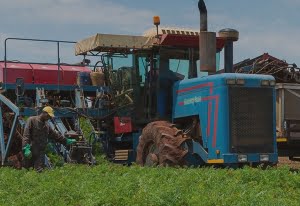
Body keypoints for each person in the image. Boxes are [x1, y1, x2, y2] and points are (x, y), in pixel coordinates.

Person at [22, 106, 76, 172]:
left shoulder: (46, 125)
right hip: (30, 150)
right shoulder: (32, 120)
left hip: (40, 153)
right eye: (49, 116)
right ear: (44, 113)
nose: (49, 117)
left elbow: (55, 135)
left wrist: (66, 140)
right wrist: (26, 148)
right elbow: (26, 135)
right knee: (27, 170)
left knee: (39, 171)